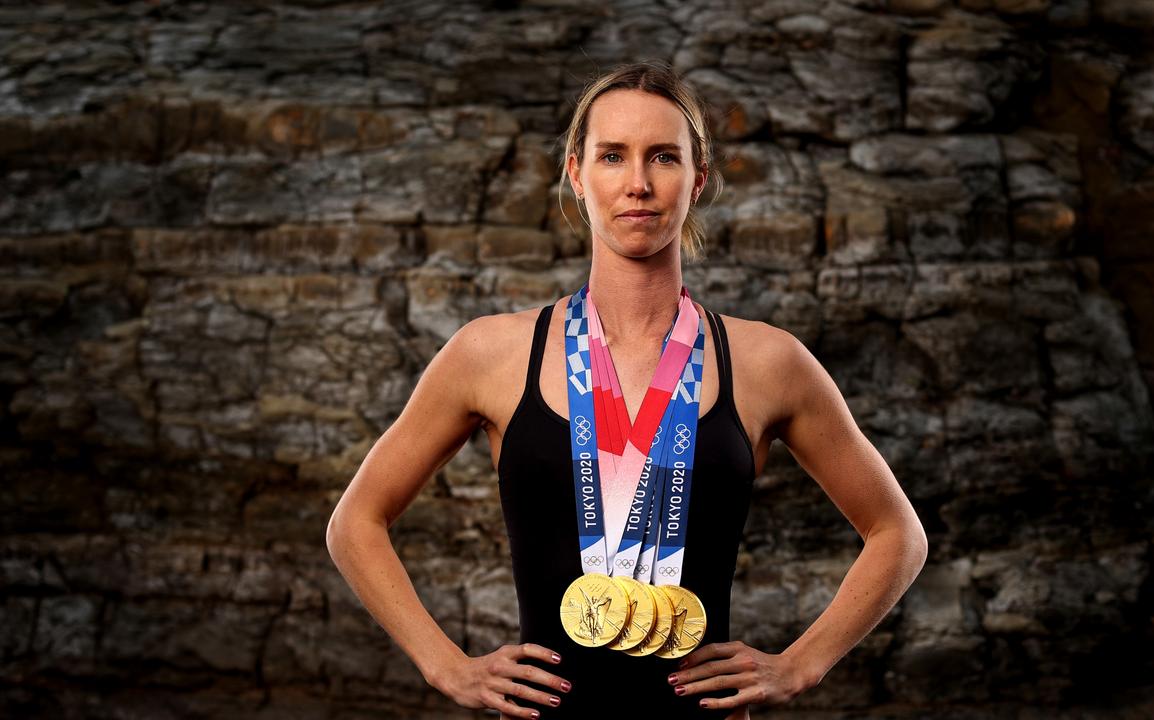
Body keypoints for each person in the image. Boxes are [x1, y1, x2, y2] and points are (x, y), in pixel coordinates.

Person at [326, 60, 928, 719]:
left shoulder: (767, 362)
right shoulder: (491, 354)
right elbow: (355, 522)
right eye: (613, 155)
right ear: (577, 173)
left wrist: (799, 664)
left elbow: (897, 533)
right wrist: (445, 665)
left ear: (697, 178)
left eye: (663, 157)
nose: (638, 184)